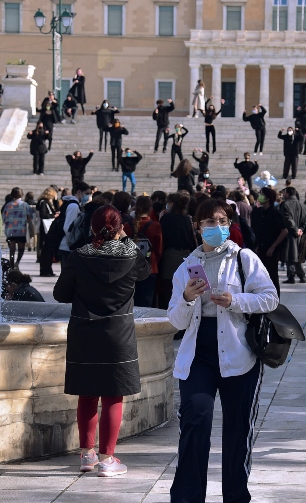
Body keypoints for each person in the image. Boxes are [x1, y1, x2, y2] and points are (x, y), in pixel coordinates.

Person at [167, 199, 278, 503]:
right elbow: (174, 320)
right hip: (198, 355)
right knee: (195, 419)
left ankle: (236, 497)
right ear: (197, 227)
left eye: (221, 220)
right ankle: (187, 497)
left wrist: (236, 300)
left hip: (238, 354)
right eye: (209, 222)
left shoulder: (244, 258)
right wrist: (188, 298)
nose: (216, 227)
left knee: (237, 431)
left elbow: (270, 299)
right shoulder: (187, 267)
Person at [54, 205, 150, 478]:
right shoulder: (132, 255)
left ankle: (87, 455)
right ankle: (108, 459)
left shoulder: (78, 256)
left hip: (84, 331)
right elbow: (144, 275)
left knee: (87, 393)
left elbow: (61, 294)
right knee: (112, 395)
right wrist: (127, 239)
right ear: (120, 227)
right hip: (118, 333)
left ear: (92, 228)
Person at [158, 193, 197, 308]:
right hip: (186, 255)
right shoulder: (187, 219)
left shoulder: (166, 218)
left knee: (169, 287)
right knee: (183, 284)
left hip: (169, 255)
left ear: (172, 204)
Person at [251, 186, 287, 294]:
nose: (259, 196)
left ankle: (275, 300)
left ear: (268, 198)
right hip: (260, 249)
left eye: (262, 194)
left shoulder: (274, 212)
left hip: (271, 251)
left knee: (272, 276)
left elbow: (284, 231)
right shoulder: (259, 212)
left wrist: (273, 246)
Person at [132, 196, 163, 308]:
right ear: (150, 208)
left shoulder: (127, 225)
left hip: (130, 268)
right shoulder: (155, 226)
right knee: (147, 302)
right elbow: (158, 250)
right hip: (150, 267)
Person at [280, 187, 306, 284]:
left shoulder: (285, 205)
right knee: (297, 255)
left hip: (290, 233)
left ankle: (291, 276)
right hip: (300, 234)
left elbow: (288, 219)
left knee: (290, 255)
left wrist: (295, 230)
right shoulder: (303, 205)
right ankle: (301, 275)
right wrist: (301, 229)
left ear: (287, 194)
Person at [58, 182, 90, 264]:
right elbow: (68, 227)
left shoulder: (74, 204)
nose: (88, 196)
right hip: (68, 247)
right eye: (86, 193)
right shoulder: (74, 206)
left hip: (68, 246)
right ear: (79, 192)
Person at [2, 188, 30, 268]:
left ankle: (11, 263)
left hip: (10, 230)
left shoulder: (8, 205)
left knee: (12, 250)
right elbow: (30, 216)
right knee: (21, 249)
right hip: (21, 230)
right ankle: (17, 262)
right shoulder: (25, 205)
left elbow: (4, 217)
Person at [36, 188, 58, 277]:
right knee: (46, 251)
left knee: (48, 251)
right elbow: (43, 214)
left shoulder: (47, 202)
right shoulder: (43, 202)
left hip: (47, 228)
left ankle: (48, 269)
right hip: (45, 228)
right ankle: (45, 270)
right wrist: (53, 215)